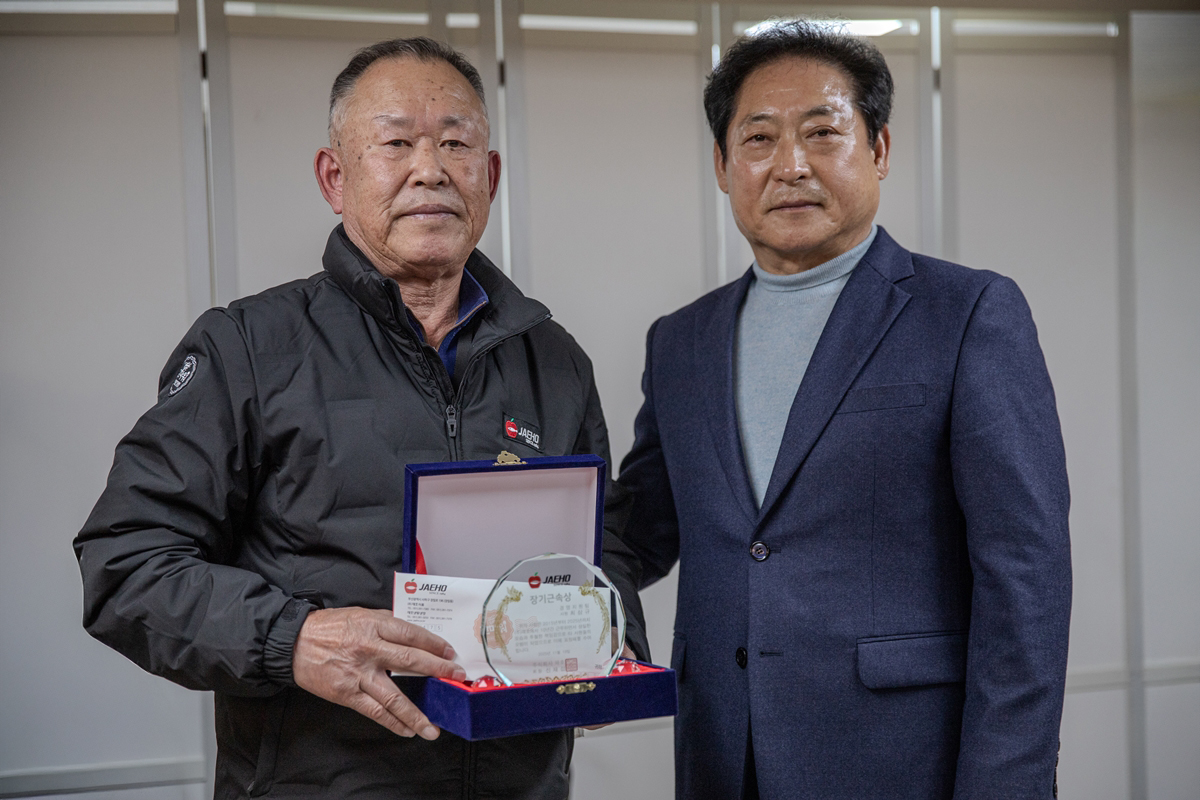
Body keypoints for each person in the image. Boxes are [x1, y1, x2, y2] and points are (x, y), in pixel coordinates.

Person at [74, 37, 647, 800]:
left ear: (491, 175)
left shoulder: (553, 359)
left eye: (456, 144)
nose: (430, 169)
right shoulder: (248, 347)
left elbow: (600, 542)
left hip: (522, 780)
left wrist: (613, 638)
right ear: (334, 178)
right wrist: (294, 639)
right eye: (396, 143)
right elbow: (126, 563)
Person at [614, 20, 1071, 799]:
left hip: (903, 763)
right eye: (759, 139)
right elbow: (637, 529)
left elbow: (1025, 578)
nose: (791, 165)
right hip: (724, 759)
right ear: (723, 166)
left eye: (823, 132)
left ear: (879, 149)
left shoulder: (967, 314)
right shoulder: (680, 342)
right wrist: (554, 593)